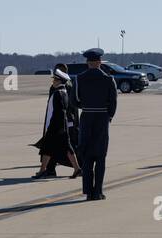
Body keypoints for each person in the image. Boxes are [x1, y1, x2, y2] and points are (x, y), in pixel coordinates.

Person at [73, 48, 118, 200]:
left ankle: (88, 192)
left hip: (86, 117)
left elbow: (75, 100)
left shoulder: (79, 78)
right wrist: (108, 116)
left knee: (86, 157)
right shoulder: (108, 79)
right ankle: (98, 191)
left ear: (88, 62)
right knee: (100, 157)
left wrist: (85, 107)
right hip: (101, 118)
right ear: (99, 62)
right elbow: (113, 103)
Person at [32, 69, 80, 180]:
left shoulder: (57, 93)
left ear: (59, 81)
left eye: (55, 79)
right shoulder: (64, 92)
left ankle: (43, 170)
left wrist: (49, 127)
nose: (53, 81)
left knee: (47, 148)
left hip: (55, 125)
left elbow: (54, 112)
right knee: (67, 148)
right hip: (62, 125)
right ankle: (77, 168)